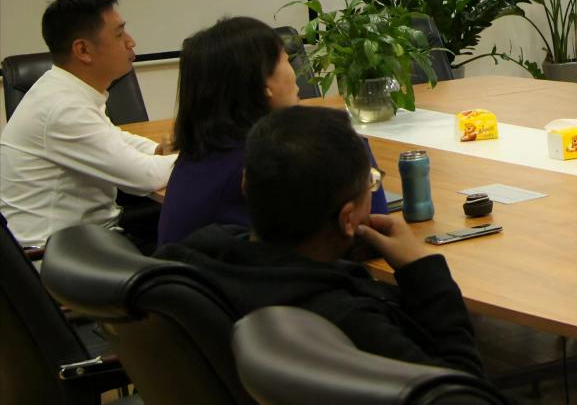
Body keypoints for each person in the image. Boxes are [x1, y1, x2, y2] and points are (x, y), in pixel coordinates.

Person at [156, 105, 486, 377]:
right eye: (371, 183)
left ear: (245, 184)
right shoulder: (346, 324)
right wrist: (424, 273)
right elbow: (464, 393)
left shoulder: (192, 261)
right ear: (347, 219)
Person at [157, 16, 387, 245]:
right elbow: (368, 231)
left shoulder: (199, 154)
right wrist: (352, 146)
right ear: (264, 83)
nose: (295, 73)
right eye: (286, 60)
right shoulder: (264, 164)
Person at [0, 0, 176, 247]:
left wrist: (157, 150)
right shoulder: (63, 107)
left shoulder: (64, 89)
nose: (131, 42)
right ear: (83, 50)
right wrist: (199, 155)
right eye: (119, 34)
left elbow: (113, 137)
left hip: (83, 238)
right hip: (54, 255)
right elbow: (145, 177)